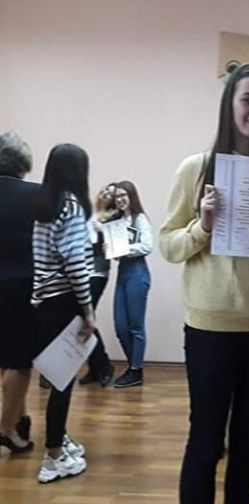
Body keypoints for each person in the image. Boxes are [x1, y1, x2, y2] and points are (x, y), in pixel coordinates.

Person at [159, 63, 249, 504]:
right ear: (229, 105)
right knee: (205, 438)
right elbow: (168, 244)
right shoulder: (195, 170)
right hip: (210, 327)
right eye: (248, 100)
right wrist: (202, 226)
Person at [32, 143, 95, 483]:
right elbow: (75, 264)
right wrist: (88, 310)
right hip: (65, 301)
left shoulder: (45, 205)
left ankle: (60, 438)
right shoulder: (72, 207)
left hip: (43, 301)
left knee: (56, 376)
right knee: (63, 380)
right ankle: (53, 456)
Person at [0, 130, 40, 455]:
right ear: (23, 163)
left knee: (4, 359)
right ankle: (6, 429)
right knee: (20, 362)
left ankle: (19, 418)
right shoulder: (36, 194)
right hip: (20, 285)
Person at [111, 180, 153, 388]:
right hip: (123, 272)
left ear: (131, 196)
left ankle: (136, 369)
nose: (119, 199)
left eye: (123, 195)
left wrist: (124, 249)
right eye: (117, 196)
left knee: (136, 326)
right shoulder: (117, 222)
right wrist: (111, 249)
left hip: (137, 273)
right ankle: (133, 366)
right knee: (120, 327)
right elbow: (117, 255)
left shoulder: (140, 218)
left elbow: (147, 246)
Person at [78, 183, 117, 387]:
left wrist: (104, 232)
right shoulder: (89, 214)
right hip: (81, 271)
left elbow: (115, 248)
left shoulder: (114, 218)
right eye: (104, 190)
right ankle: (96, 367)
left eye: (111, 193)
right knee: (82, 317)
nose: (105, 194)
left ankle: (103, 365)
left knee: (85, 315)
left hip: (98, 272)